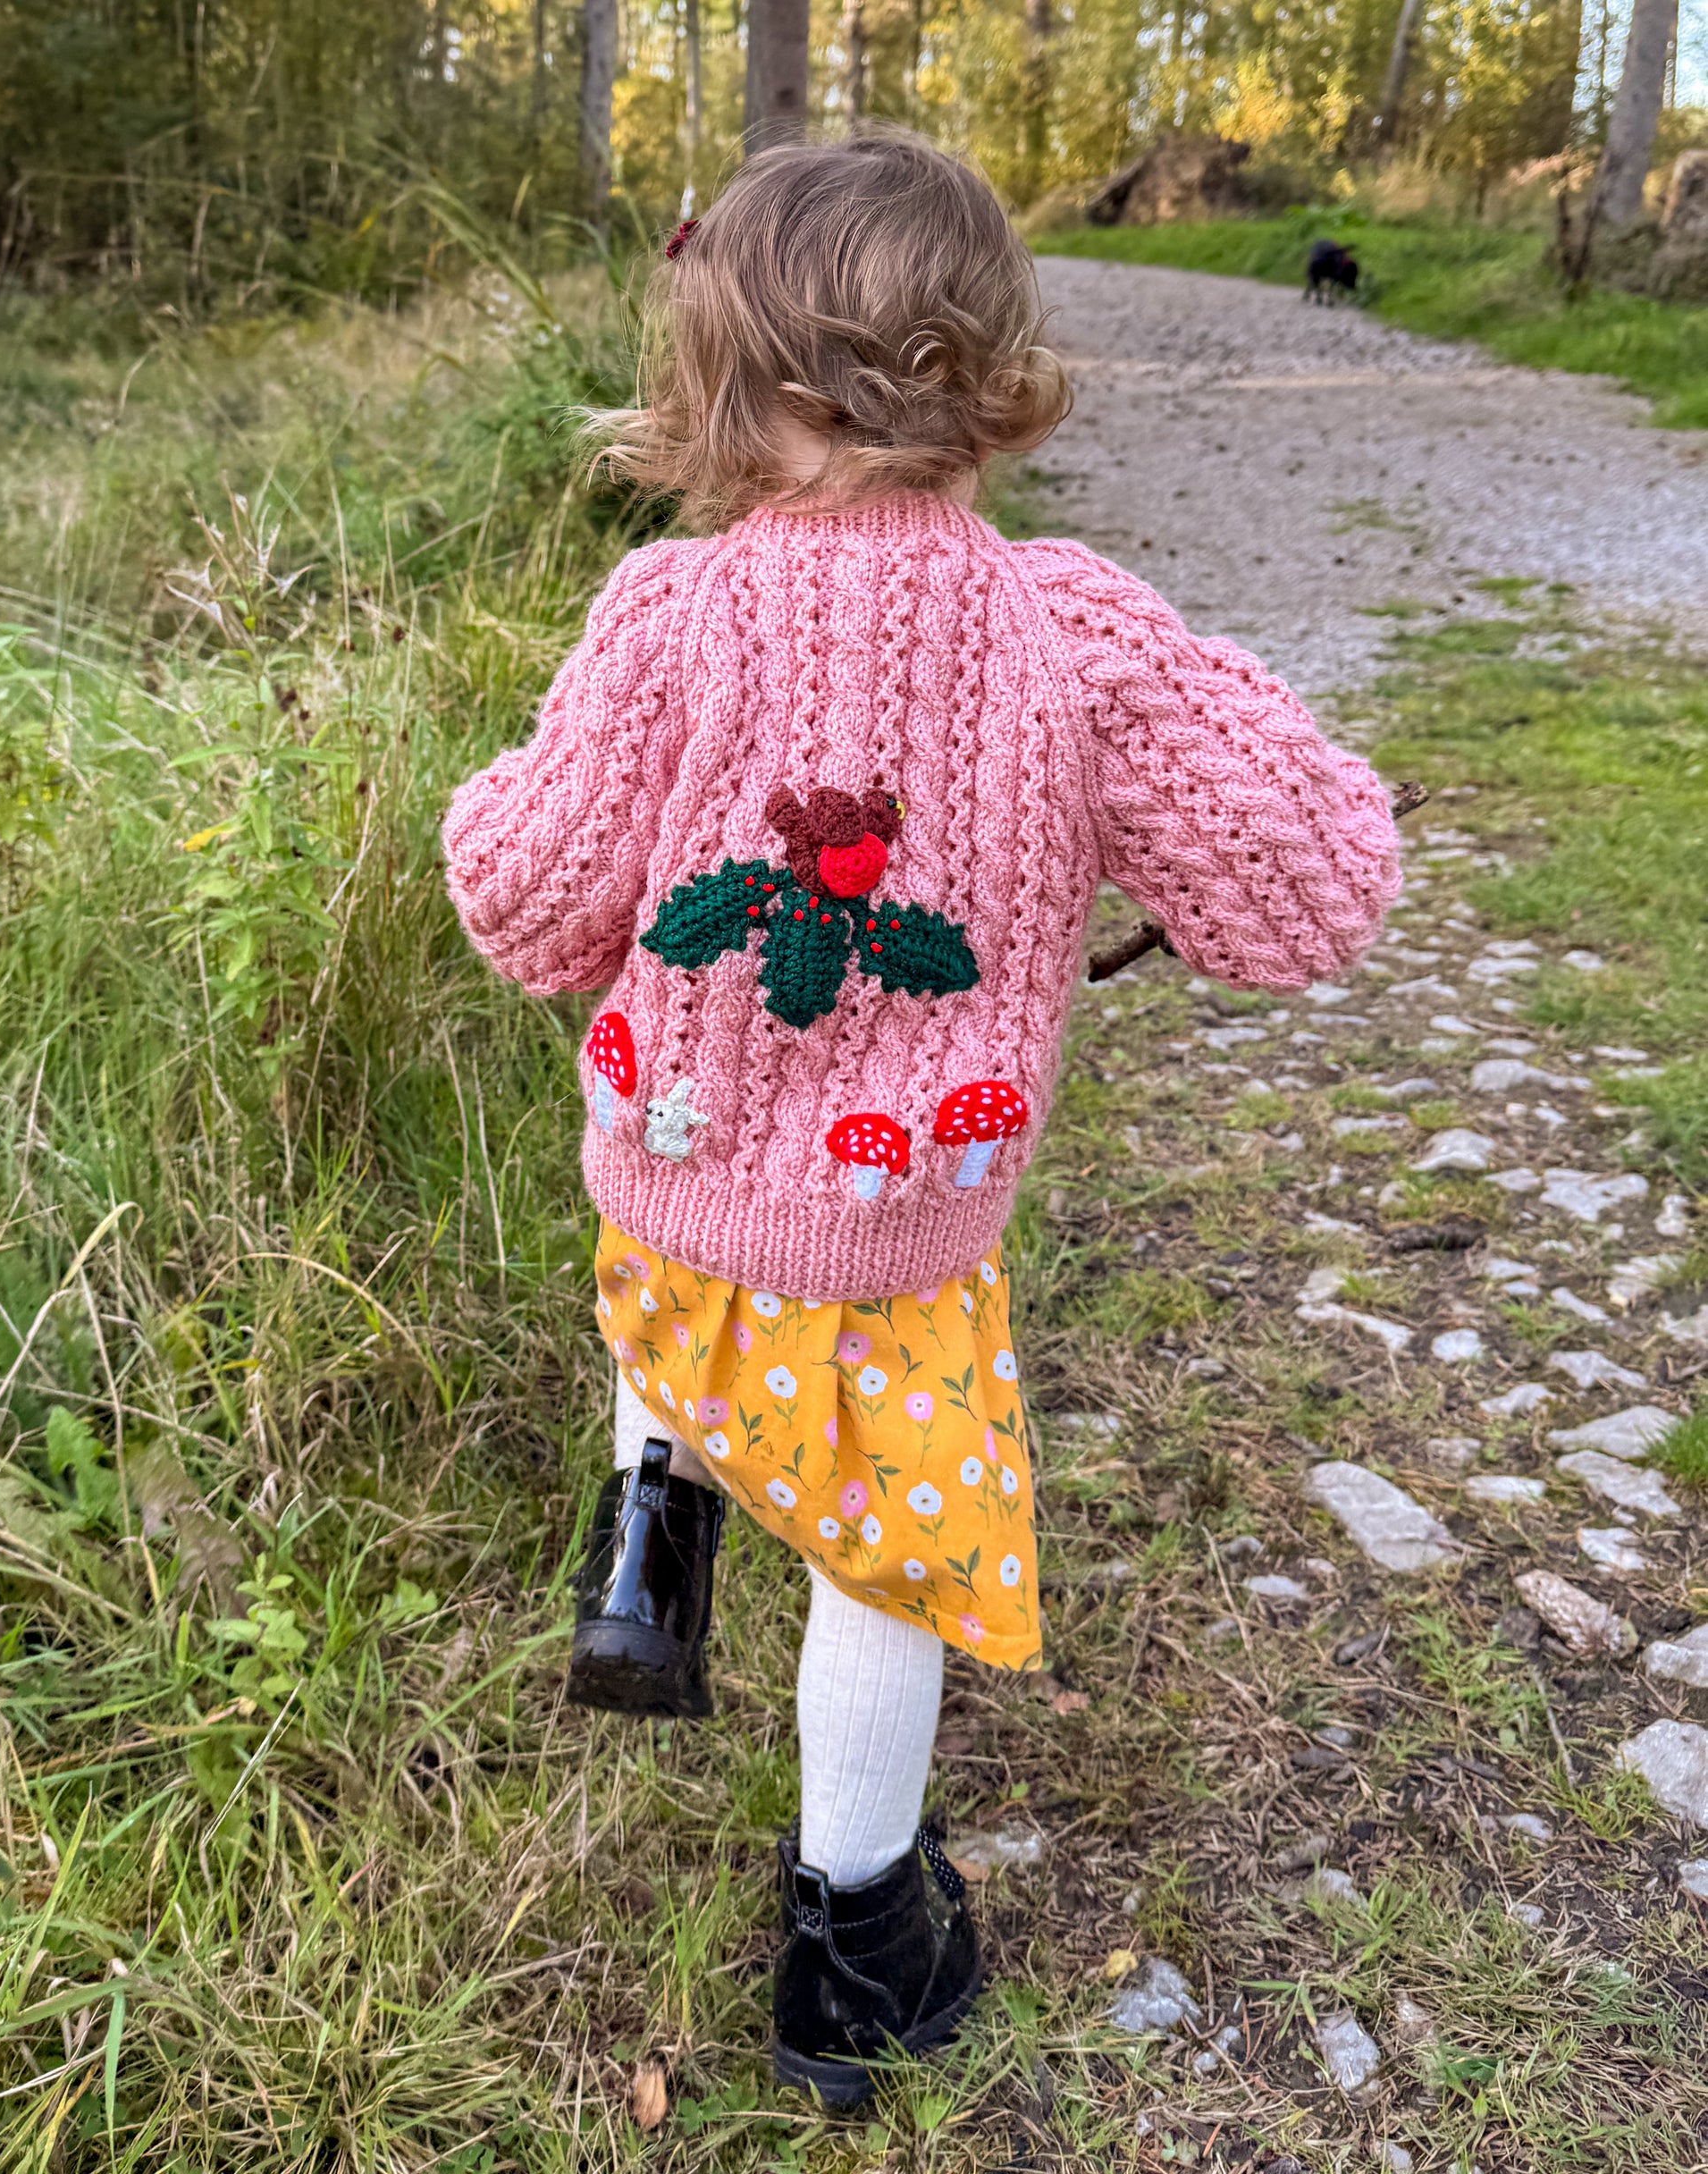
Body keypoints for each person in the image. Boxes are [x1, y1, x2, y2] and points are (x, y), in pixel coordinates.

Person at [442, 131, 1401, 2106]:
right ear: (991, 370)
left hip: (670, 1175)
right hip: (892, 1246)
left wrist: (485, 806)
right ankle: (853, 1941)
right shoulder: (1071, 625)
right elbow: (1306, 897)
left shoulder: (662, 617)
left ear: (726, 376)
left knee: (677, 1323)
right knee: (883, 1565)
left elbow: (532, 910)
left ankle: (652, 1536)